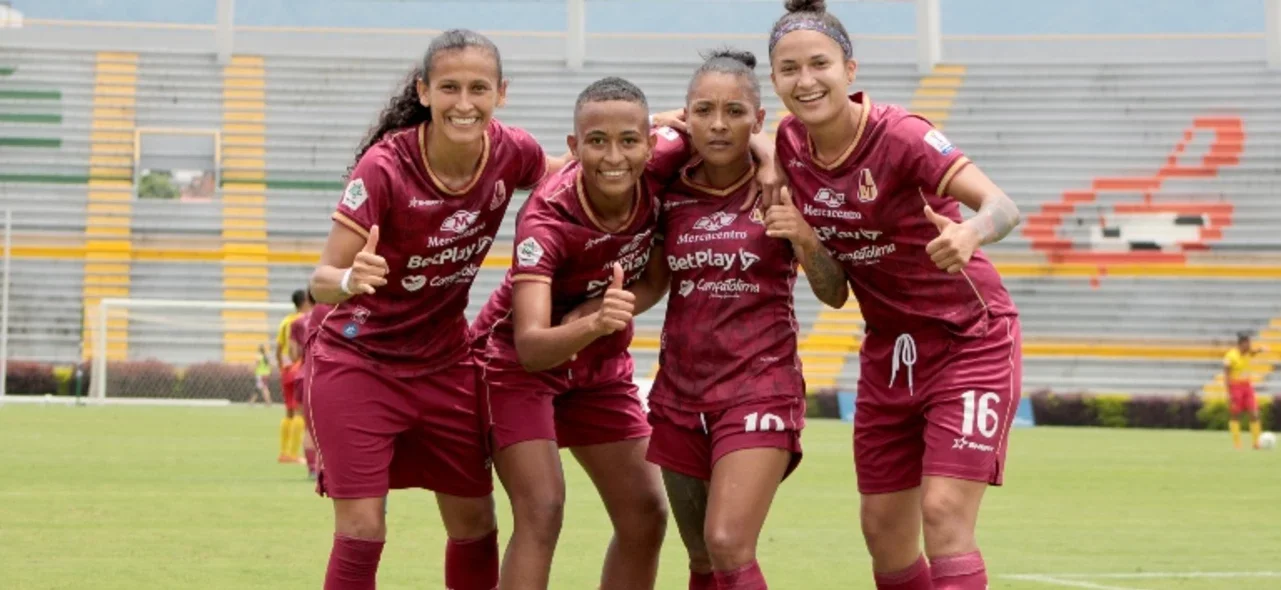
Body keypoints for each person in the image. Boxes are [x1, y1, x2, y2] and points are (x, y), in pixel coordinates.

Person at [766, 1, 1024, 589]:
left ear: (849, 70)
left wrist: (970, 233)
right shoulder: (788, 145)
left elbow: (1003, 207)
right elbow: (834, 294)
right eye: (789, 69)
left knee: (943, 510)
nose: (806, 81)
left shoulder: (902, 134)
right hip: (890, 353)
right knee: (883, 530)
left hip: (970, 339)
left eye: (819, 64)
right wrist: (805, 239)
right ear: (775, 81)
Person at [306, 28, 569, 590]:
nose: (464, 103)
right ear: (424, 92)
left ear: (501, 93)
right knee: (362, 529)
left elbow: (580, 168)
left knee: (475, 522)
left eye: (479, 88)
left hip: (445, 363)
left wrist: (664, 125)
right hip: (359, 362)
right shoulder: (384, 167)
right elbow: (320, 281)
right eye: (449, 87)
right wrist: (351, 279)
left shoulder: (512, 151)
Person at [469, 77, 687, 590]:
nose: (614, 157)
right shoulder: (546, 217)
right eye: (597, 141)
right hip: (515, 365)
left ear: (650, 144)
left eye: (629, 141)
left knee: (646, 514)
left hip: (598, 366)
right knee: (542, 510)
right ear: (574, 146)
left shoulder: (666, 157)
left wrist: (769, 161)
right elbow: (530, 346)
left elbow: (654, 279)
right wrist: (594, 321)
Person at [609, 49, 810, 590]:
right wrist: (599, 311)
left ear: (758, 119)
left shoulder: (785, 184)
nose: (718, 124)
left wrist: (806, 238)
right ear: (686, 116)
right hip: (680, 393)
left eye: (734, 111)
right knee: (701, 556)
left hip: (760, 386)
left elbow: (834, 291)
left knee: (727, 543)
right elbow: (655, 281)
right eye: (704, 110)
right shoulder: (669, 188)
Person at [276, 289, 311, 463]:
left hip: (286, 369)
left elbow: (278, 348)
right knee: (300, 413)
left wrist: (282, 367)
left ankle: (284, 452)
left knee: (289, 412)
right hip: (300, 367)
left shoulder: (285, 321)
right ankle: (293, 454)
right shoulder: (306, 320)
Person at [1223, 332, 1264, 449]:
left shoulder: (1248, 352)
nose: (1250, 345)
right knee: (1235, 414)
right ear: (1241, 344)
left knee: (1254, 413)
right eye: (1248, 343)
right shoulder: (1230, 356)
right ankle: (1237, 444)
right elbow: (1226, 375)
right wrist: (1229, 393)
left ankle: (1256, 443)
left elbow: (1253, 352)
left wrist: (1260, 350)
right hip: (1235, 387)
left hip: (1247, 386)